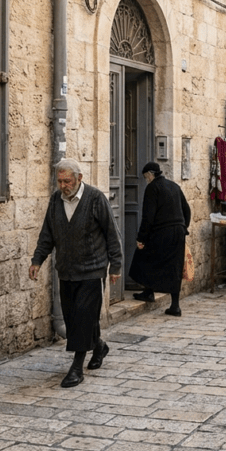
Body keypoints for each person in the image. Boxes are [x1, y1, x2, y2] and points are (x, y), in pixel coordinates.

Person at [29, 159, 122, 388]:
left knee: (83, 316)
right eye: (60, 181)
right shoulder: (55, 201)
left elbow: (112, 233)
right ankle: (99, 346)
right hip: (67, 270)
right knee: (72, 320)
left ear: (79, 178)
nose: (63, 186)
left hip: (92, 269)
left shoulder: (95, 199)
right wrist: (37, 260)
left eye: (67, 181)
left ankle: (76, 368)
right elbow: (47, 234)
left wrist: (116, 266)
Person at [129, 162, 192, 317]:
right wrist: (184, 227)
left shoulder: (153, 188)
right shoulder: (174, 186)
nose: (146, 180)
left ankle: (148, 291)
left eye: (145, 177)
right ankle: (174, 305)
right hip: (178, 231)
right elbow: (187, 210)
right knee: (174, 267)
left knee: (142, 256)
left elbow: (148, 216)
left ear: (151, 174)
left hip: (162, 231)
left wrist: (141, 238)